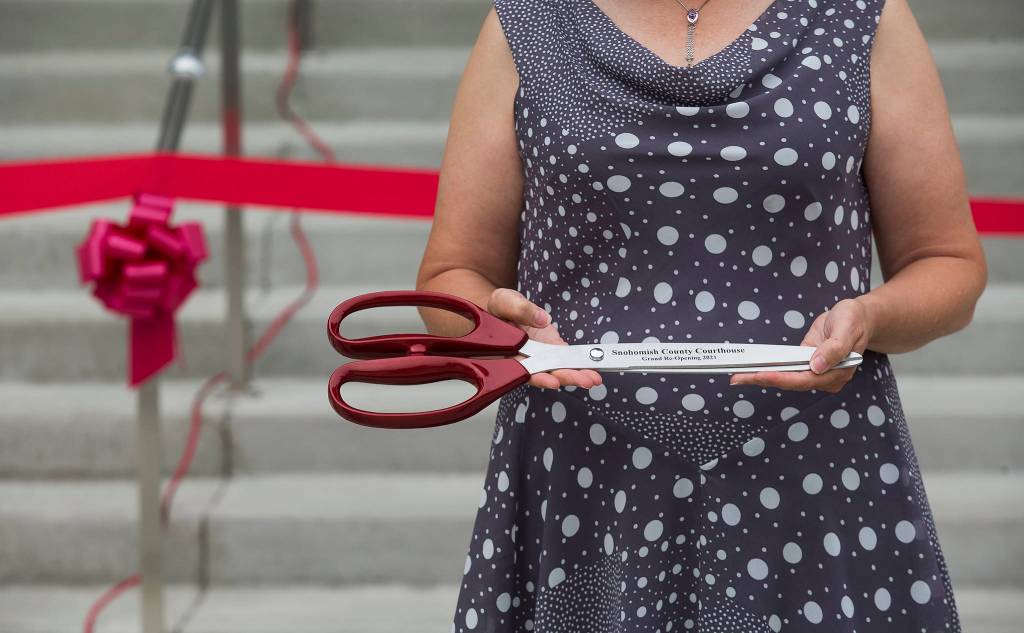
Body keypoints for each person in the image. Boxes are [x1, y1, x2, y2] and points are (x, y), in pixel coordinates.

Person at [416, 0, 988, 630]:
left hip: (811, 476)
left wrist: (870, 315)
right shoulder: (529, 21)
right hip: (589, 482)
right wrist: (494, 325)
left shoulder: (859, 16)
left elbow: (947, 263)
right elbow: (450, 277)